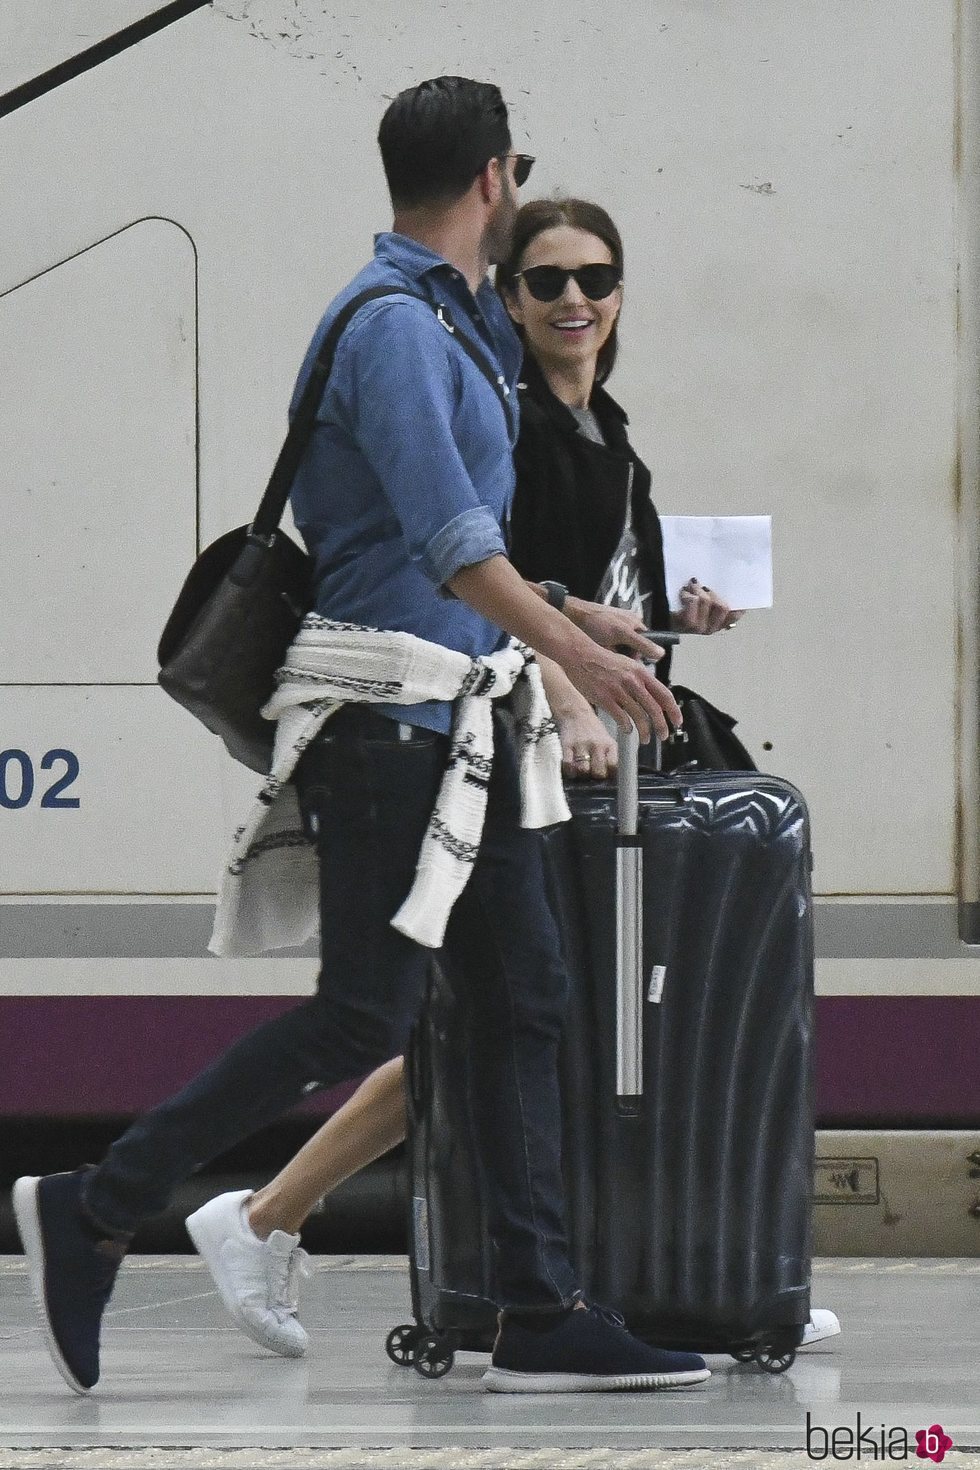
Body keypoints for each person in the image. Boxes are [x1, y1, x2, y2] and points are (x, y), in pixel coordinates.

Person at [13, 78, 712, 1398]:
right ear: (496, 181)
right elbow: (451, 549)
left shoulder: (453, 324)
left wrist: (578, 620)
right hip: (388, 724)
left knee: (530, 998)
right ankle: (100, 1201)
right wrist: (566, 650)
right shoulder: (392, 326)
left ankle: (536, 1305)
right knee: (364, 1008)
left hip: (462, 717)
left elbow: (441, 550)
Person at [185, 197, 841, 1359]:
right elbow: (491, 593)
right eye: (544, 282)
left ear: (623, 293)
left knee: (536, 1011)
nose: (573, 300)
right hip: (521, 741)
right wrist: (574, 693)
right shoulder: (510, 424)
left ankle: (692, 1263)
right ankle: (267, 1213)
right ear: (508, 297)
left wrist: (672, 623)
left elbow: (584, 602)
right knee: (495, 1013)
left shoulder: (604, 428)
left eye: (595, 277)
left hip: (584, 745)